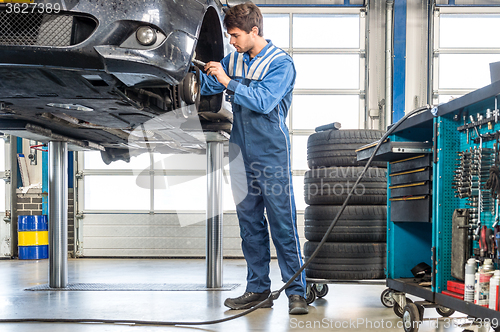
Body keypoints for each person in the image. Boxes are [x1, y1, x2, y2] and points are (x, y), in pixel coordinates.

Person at [198, 1, 308, 315]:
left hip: (271, 150)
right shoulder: (234, 59)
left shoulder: (280, 63)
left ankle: (296, 293)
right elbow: (211, 83)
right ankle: (258, 288)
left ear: (254, 31)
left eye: (234, 35)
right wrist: (206, 71)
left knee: (282, 224)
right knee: (249, 225)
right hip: (240, 149)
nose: (231, 41)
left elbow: (263, 101)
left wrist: (227, 81)